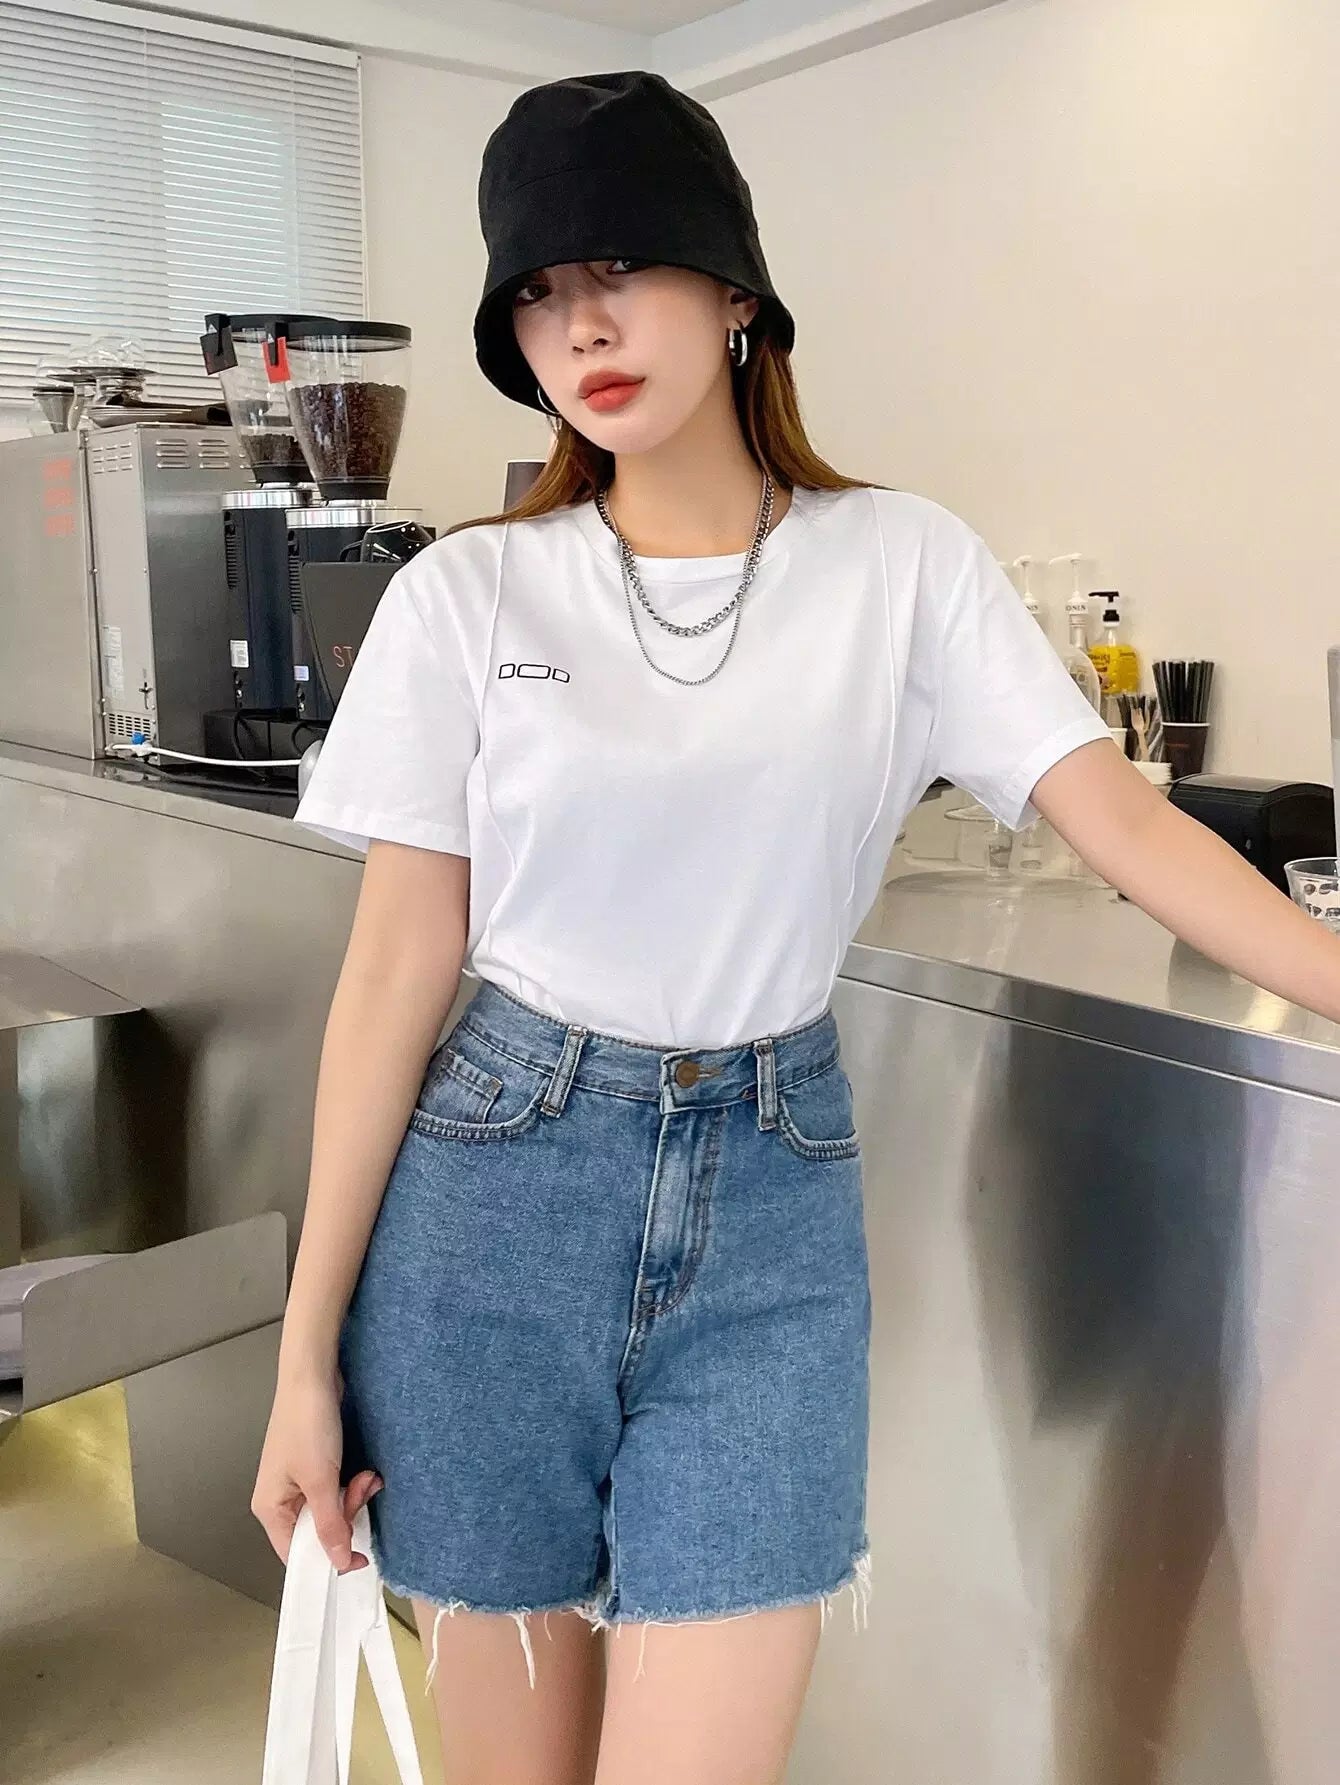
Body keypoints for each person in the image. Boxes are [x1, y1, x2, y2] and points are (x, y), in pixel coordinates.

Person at [252, 69, 1340, 1785]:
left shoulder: (903, 566)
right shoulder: (468, 593)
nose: (581, 324)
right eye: (538, 292)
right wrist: (303, 1355)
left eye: (621, 266)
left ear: (736, 289)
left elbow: (1126, 824)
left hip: (768, 1211)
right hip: (490, 1214)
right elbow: (395, 970)